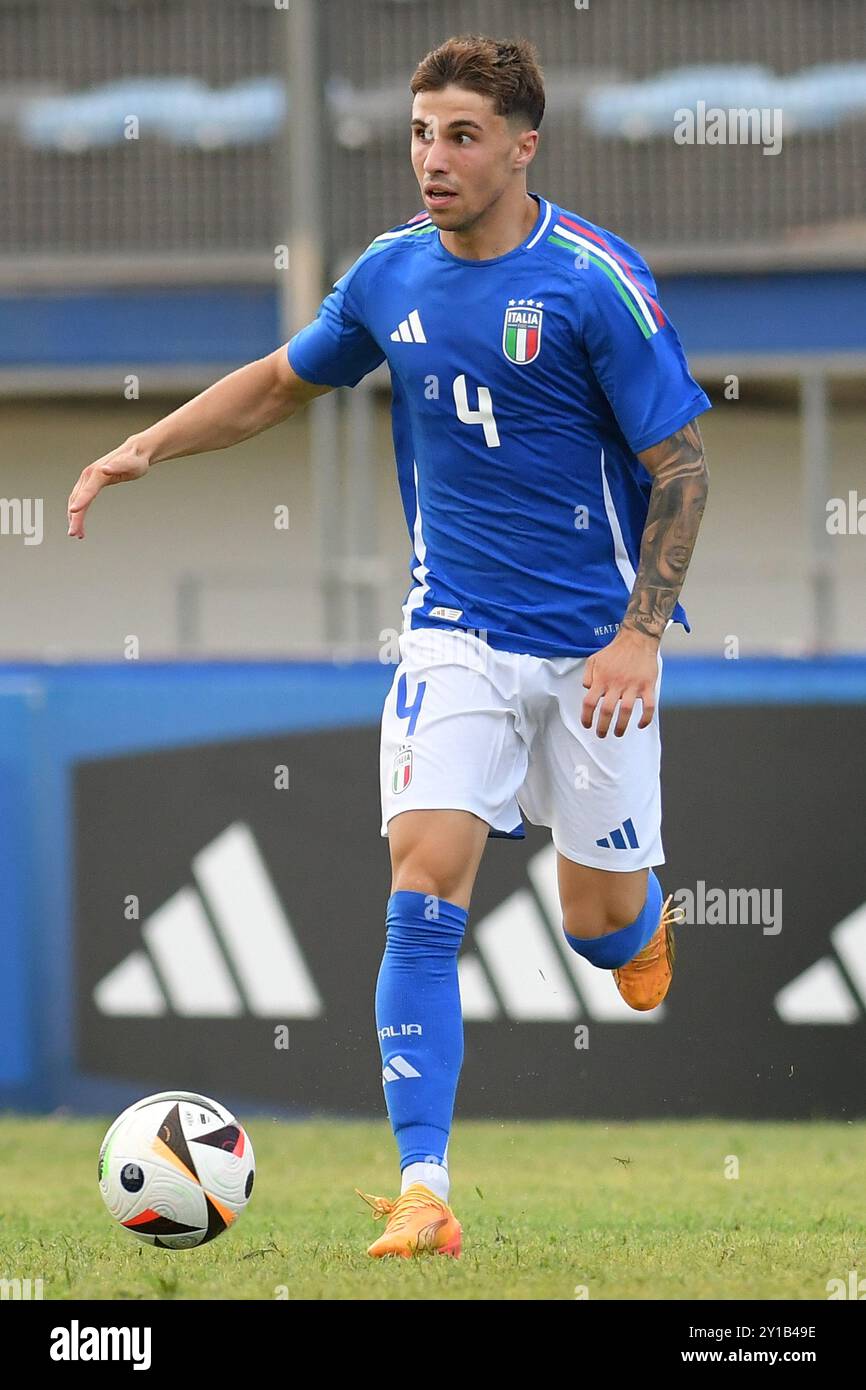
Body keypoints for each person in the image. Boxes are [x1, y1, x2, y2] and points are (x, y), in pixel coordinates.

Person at [68, 33, 710, 1261]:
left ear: (523, 146)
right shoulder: (388, 277)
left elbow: (678, 463)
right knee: (421, 888)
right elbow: (276, 383)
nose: (433, 158)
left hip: (592, 651)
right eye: (420, 133)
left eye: (462, 135)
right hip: (452, 634)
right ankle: (424, 1189)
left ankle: (634, 922)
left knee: (597, 931)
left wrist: (640, 636)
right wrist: (147, 445)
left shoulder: (590, 283)